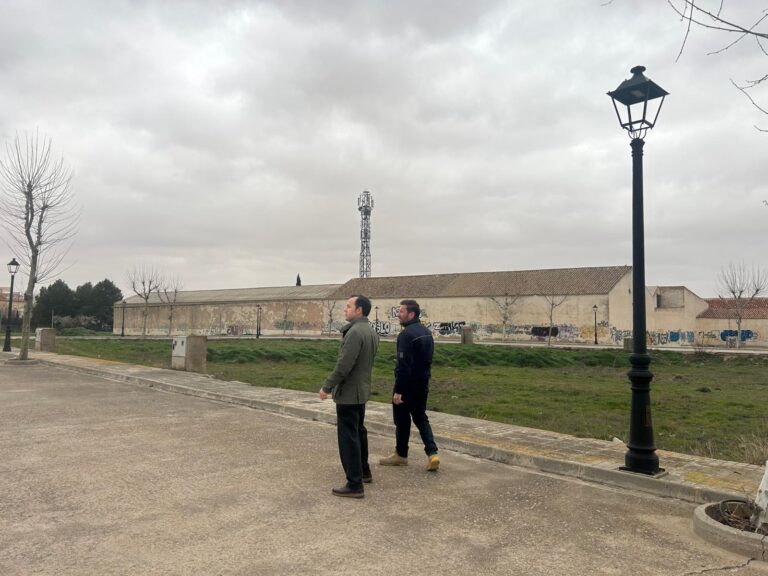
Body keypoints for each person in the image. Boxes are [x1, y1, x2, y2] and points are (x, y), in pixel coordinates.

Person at [319, 295, 379, 498]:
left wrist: (327, 387)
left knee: (348, 438)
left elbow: (343, 366)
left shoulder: (354, 332)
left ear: (359, 310)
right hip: (361, 391)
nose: (345, 309)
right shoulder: (370, 330)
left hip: (349, 393)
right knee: (359, 432)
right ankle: (364, 472)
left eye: (348, 306)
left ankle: (354, 484)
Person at [379, 299, 439, 471]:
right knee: (420, 417)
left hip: (407, 386)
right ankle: (433, 453)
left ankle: (401, 455)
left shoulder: (406, 335)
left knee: (402, 420)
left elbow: (403, 365)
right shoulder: (426, 332)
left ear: (411, 314)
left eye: (401, 311)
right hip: (423, 383)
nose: (398, 314)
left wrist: (399, 391)